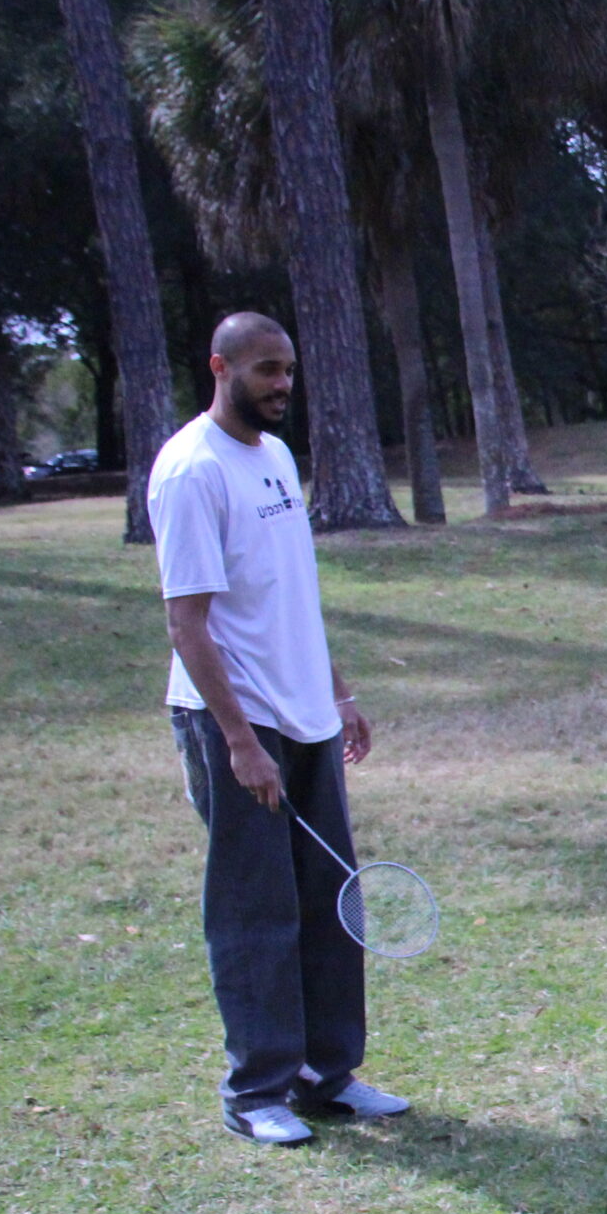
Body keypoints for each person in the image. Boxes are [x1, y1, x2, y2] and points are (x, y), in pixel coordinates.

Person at [151, 312, 409, 1145]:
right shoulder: (192, 470)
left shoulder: (277, 457)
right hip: (237, 720)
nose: (282, 384)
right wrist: (239, 740)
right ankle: (256, 1089)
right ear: (220, 366)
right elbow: (188, 625)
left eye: (288, 369)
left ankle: (326, 1075)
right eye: (265, 369)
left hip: (304, 715)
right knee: (256, 906)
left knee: (331, 898)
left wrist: (337, 692)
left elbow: (289, 592)